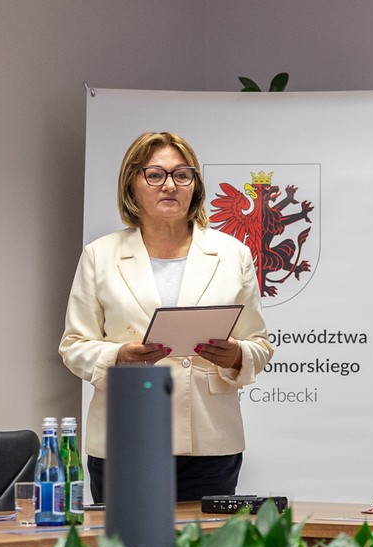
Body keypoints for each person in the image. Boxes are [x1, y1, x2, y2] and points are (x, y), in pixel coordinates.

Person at [59, 131, 274, 502]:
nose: (170, 185)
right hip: (126, 436)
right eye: (155, 175)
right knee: (127, 541)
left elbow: (260, 344)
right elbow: (74, 346)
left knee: (205, 542)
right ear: (132, 184)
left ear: (195, 185)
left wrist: (237, 355)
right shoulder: (100, 255)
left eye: (182, 175)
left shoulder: (232, 254)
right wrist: (118, 356)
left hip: (210, 441)